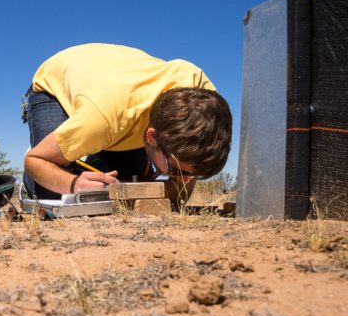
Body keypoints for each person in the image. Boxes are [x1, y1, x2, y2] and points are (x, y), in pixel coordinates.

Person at [21, 43, 232, 205]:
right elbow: (34, 161)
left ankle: (88, 156)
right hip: (57, 79)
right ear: (151, 137)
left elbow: (181, 188)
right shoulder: (101, 118)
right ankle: (53, 151)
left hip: (114, 86)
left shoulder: (204, 99)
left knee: (128, 181)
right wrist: (72, 183)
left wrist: (176, 187)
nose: (184, 181)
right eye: (175, 171)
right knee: (58, 195)